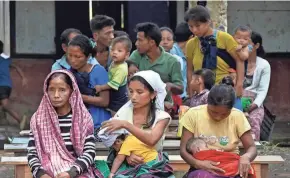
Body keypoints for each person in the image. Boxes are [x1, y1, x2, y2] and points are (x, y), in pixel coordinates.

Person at [100, 70, 174, 178]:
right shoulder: (123, 113)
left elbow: (151, 140)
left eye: (139, 92)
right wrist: (127, 155)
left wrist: (126, 125)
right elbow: (112, 140)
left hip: (152, 165)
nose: (133, 97)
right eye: (131, 91)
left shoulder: (162, 117)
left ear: (153, 94)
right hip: (123, 163)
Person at [27, 70, 101, 178]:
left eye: (62, 90)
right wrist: (41, 174)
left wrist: (71, 173)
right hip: (46, 173)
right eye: (51, 90)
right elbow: (32, 153)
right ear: (46, 91)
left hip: (76, 172)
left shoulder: (83, 118)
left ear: (72, 91)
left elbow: (89, 152)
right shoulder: (38, 119)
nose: (56, 95)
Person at [180, 84, 257, 178]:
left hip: (230, 164)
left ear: (232, 108)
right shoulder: (193, 114)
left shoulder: (238, 116)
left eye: (225, 114)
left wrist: (246, 157)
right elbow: (183, 151)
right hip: (201, 167)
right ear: (207, 103)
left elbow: (251, 147)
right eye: (214, 112)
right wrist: (197, 163)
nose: (218, 117)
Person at [185, 6, 246, 98]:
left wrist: (239, 85)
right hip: (200, 93)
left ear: (208, 22)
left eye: (198, 26)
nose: (194, 30)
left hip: (225, 90)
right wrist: (191, 92)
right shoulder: (191, 44)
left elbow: (239, 60)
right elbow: (190, 70)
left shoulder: (224, 38)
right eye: (191, 26)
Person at [129, 22, 183, 112]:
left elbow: (180, 88)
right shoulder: (136, 55)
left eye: (140, 40)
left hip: (163, 108)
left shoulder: (172, 61)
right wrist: (130, 65)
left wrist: (169, 86)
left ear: (152, 42)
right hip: (138, 106)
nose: (136, 43)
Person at [66, 34, 111, 138]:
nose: (73, 60)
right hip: (78, 125)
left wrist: (79, 97)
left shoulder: (98, 71)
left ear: (88, 56)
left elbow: (104, 101)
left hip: (98, 125)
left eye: (78, 56)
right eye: (70, 55)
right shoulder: (68, 73)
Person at [243, 31, 271, 140]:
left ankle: (253, 149)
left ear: (257, 45)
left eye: (248, 43)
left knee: (253, 121)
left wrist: (253, 105)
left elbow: (263, 90)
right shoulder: (236, 61)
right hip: (236, 100)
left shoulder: (264, 65)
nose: (244, 46)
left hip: (254, 103)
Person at [95, 36, 132, 114]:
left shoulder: (122, 68)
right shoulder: (114, 62)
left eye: (119, 51)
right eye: (112, 50)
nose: (114, 52)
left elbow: (113, 85)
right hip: (113, 93)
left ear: (127, 55)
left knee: (115, 114)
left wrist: (101, 88)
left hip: (118, 97)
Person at [186, 138, 255, 178]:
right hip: (224, 169)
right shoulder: (204, 155)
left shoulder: (237, 117)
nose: (208, 148)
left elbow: (252, 147)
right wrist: (237, 157)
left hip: (224, 166)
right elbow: (228, 156)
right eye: (206, 146)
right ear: (198, 149)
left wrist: (245, 157)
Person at [0, 40, 27, 129]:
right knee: (3, 105)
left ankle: (20, 120)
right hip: (7, 85)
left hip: (2, 86)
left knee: (5, 106)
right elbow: (16, 67)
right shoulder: (6, 59)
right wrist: (23, 77)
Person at [170, 22, 193, 99]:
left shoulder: (188, 53)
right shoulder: (172, 53)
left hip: (184, 96)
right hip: (173, 98)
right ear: (191, 37)